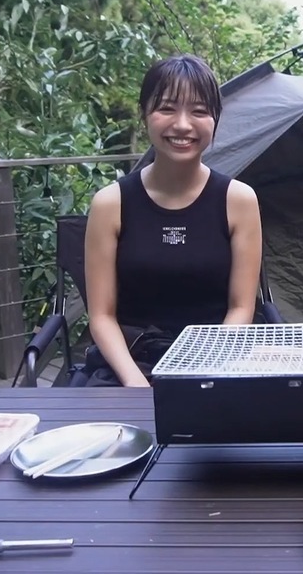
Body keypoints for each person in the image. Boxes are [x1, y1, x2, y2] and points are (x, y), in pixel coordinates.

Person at [83, 54, 263, 387]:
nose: (182, 125)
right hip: (130, 362)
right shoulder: (110, 204)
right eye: (166, 108)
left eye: (199, 111)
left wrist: (203, 373)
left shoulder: (239, 201)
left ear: (215, 119)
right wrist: (135, 382)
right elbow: (102, 316)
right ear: (144, 115)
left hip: (214, 360)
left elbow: (241, 307)